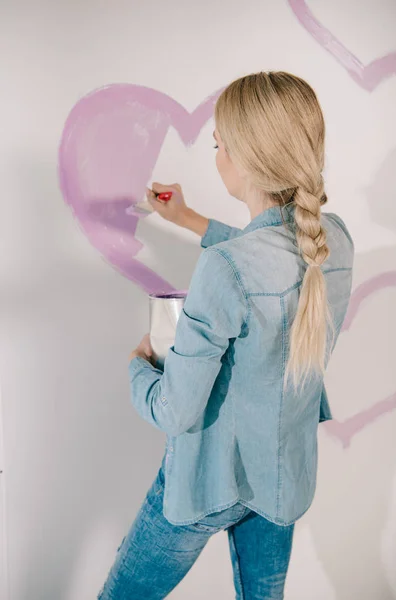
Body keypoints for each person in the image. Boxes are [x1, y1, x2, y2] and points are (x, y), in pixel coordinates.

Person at [97, 71, 354, 599]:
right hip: (280, 477)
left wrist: (136, 366)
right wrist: (188, 218)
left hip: (207, 481)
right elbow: (274, 257)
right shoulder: (335, 241)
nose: (217, 157)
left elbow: (175, 411)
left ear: (244, 157)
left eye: (219, 145)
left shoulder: (227, 269)